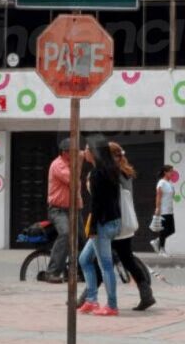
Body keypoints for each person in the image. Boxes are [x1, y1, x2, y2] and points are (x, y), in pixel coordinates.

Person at [77, 135, 122, 316]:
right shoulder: (110, 170)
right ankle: (92, 300)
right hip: (112, 222)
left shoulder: (97, 174)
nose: (84, 152)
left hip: (102, 225)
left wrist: (93, 227)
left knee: (106, 265)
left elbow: (96, 204)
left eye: (86, 149)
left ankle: (111, 305)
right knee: (84, 260)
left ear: (93, 152)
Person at [109, 142, 156, 311]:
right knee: (127, 259)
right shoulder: (126, 171)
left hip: (115, 222)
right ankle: (146, 294)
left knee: (98, 260)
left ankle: (87, 297)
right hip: (126, 224)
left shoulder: (115, 173)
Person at [44, 138, 81, 284]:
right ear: (65, 153)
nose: (77, 154)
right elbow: (74, 181)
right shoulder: (58, 165)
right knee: (66, 234)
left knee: (83, 239)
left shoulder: (71, 164)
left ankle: (74, 272)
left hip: (74, 209)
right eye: (74, 152)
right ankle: (52, 272)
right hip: (58, 210)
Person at [150, 165, 176, 256]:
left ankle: (156, 241)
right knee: (164, 230)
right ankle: (162, 250)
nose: (172, 173)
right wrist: (157, 208)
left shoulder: (169, 183)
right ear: (165, 172)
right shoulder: (161, 183)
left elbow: (171, 196)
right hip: (163, 210)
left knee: (171, 230)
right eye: (170, 171)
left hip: (169, 210)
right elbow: (158, 196)